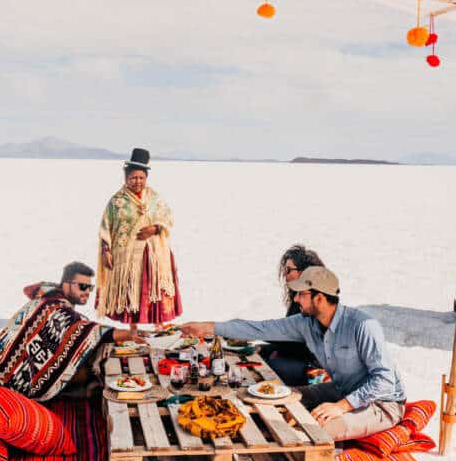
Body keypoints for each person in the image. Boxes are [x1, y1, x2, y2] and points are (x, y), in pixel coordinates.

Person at [181, 266, 406, 441]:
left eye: (301, 294)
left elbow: (384, 380)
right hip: (341, 389)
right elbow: (261, 328)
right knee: (274, 399)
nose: (296, 299)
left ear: (319, 297)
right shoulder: (306, 322)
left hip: (381, 404)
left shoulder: (363, 325)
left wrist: (342, 406)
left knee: (310, 429)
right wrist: (210, 327)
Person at [0, 262, 141, 401]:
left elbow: (30, 290)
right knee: (84, 366)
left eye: (90, 287)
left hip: (3, 368)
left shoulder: (50, 294)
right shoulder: (56, 308)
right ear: (66, 285)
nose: (87, 292)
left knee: (77, 356)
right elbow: (83, 328)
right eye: (82, 286)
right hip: (14, 382)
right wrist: (129, 334)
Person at [96, 147, 182, 324]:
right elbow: (106, 227)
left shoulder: (155, 197)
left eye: (141, 178)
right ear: (126, 178)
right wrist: (106, 251)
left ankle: (160, 326)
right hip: (127, 256)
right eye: (133, 178)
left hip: (154, 254)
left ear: (146, 178)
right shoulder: (116, 201)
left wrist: (155, 229)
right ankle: (132, 330)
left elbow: (167, 217)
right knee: (130, 289)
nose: (137, 181)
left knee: (156, 289)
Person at [263, 244, 325, 385]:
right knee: (257, 353)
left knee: (269, 365)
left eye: (289, 270)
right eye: (284, 269)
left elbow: (295, 339)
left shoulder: (314, 298)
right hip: (297, 354)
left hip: (312, 367)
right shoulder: (297, 296)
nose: (285, 273)